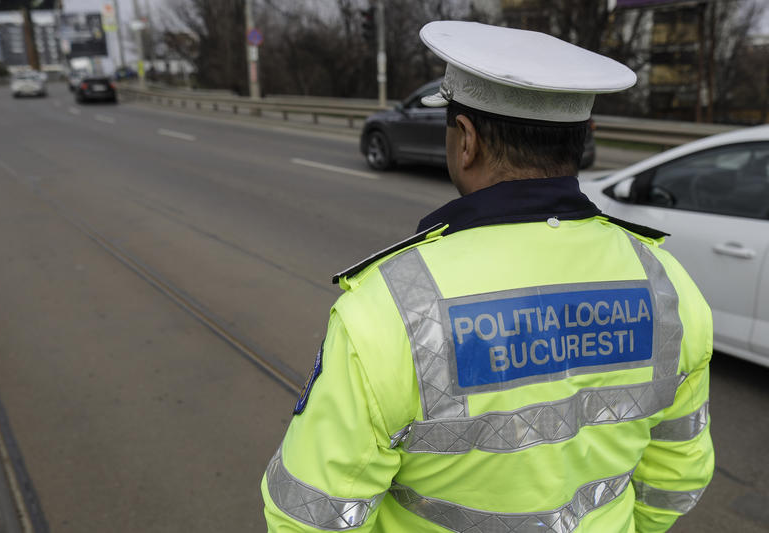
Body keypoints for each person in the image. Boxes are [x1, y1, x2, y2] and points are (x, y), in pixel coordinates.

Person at [261, 21, 713, 533]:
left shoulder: (390, 307)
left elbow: (312, 517)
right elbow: (675, 479)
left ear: (467, 141)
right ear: (582, 142)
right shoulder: (666, 282)